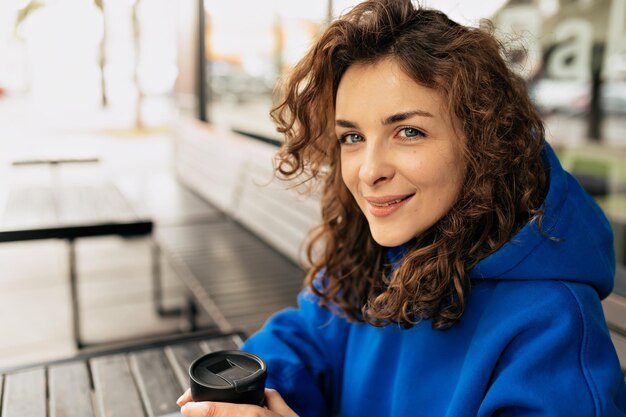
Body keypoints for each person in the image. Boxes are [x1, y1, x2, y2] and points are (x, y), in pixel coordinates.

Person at [178, 0, 626, 415]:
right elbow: (304, 341)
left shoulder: (553, 330)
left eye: (408, 132)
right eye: (352, 137)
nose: (369, 171)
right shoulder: (372, 259)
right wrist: (245, 397)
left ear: (484, 142)